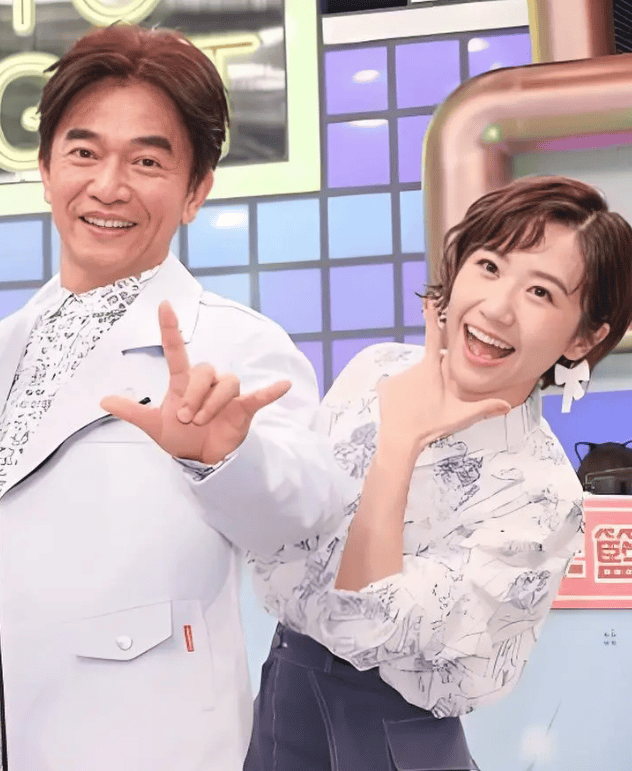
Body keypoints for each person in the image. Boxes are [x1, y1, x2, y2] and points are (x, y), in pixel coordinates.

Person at [0, 24, 347, 770]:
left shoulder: (233, 344)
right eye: (83, 153)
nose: (109, 186)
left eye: (147, 161)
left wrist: (223, 457)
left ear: (195, 190)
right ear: (46, 169)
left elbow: (303, 514)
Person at [244, 175, 632, 770]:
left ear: (583, 337)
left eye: (540, 293)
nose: (497, 308)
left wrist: (399, 444)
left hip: (395, 740)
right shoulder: (377, 369)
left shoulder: (545, 495)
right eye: (489, 266)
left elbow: (365, 626)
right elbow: (276, 549)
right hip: (281, 699)